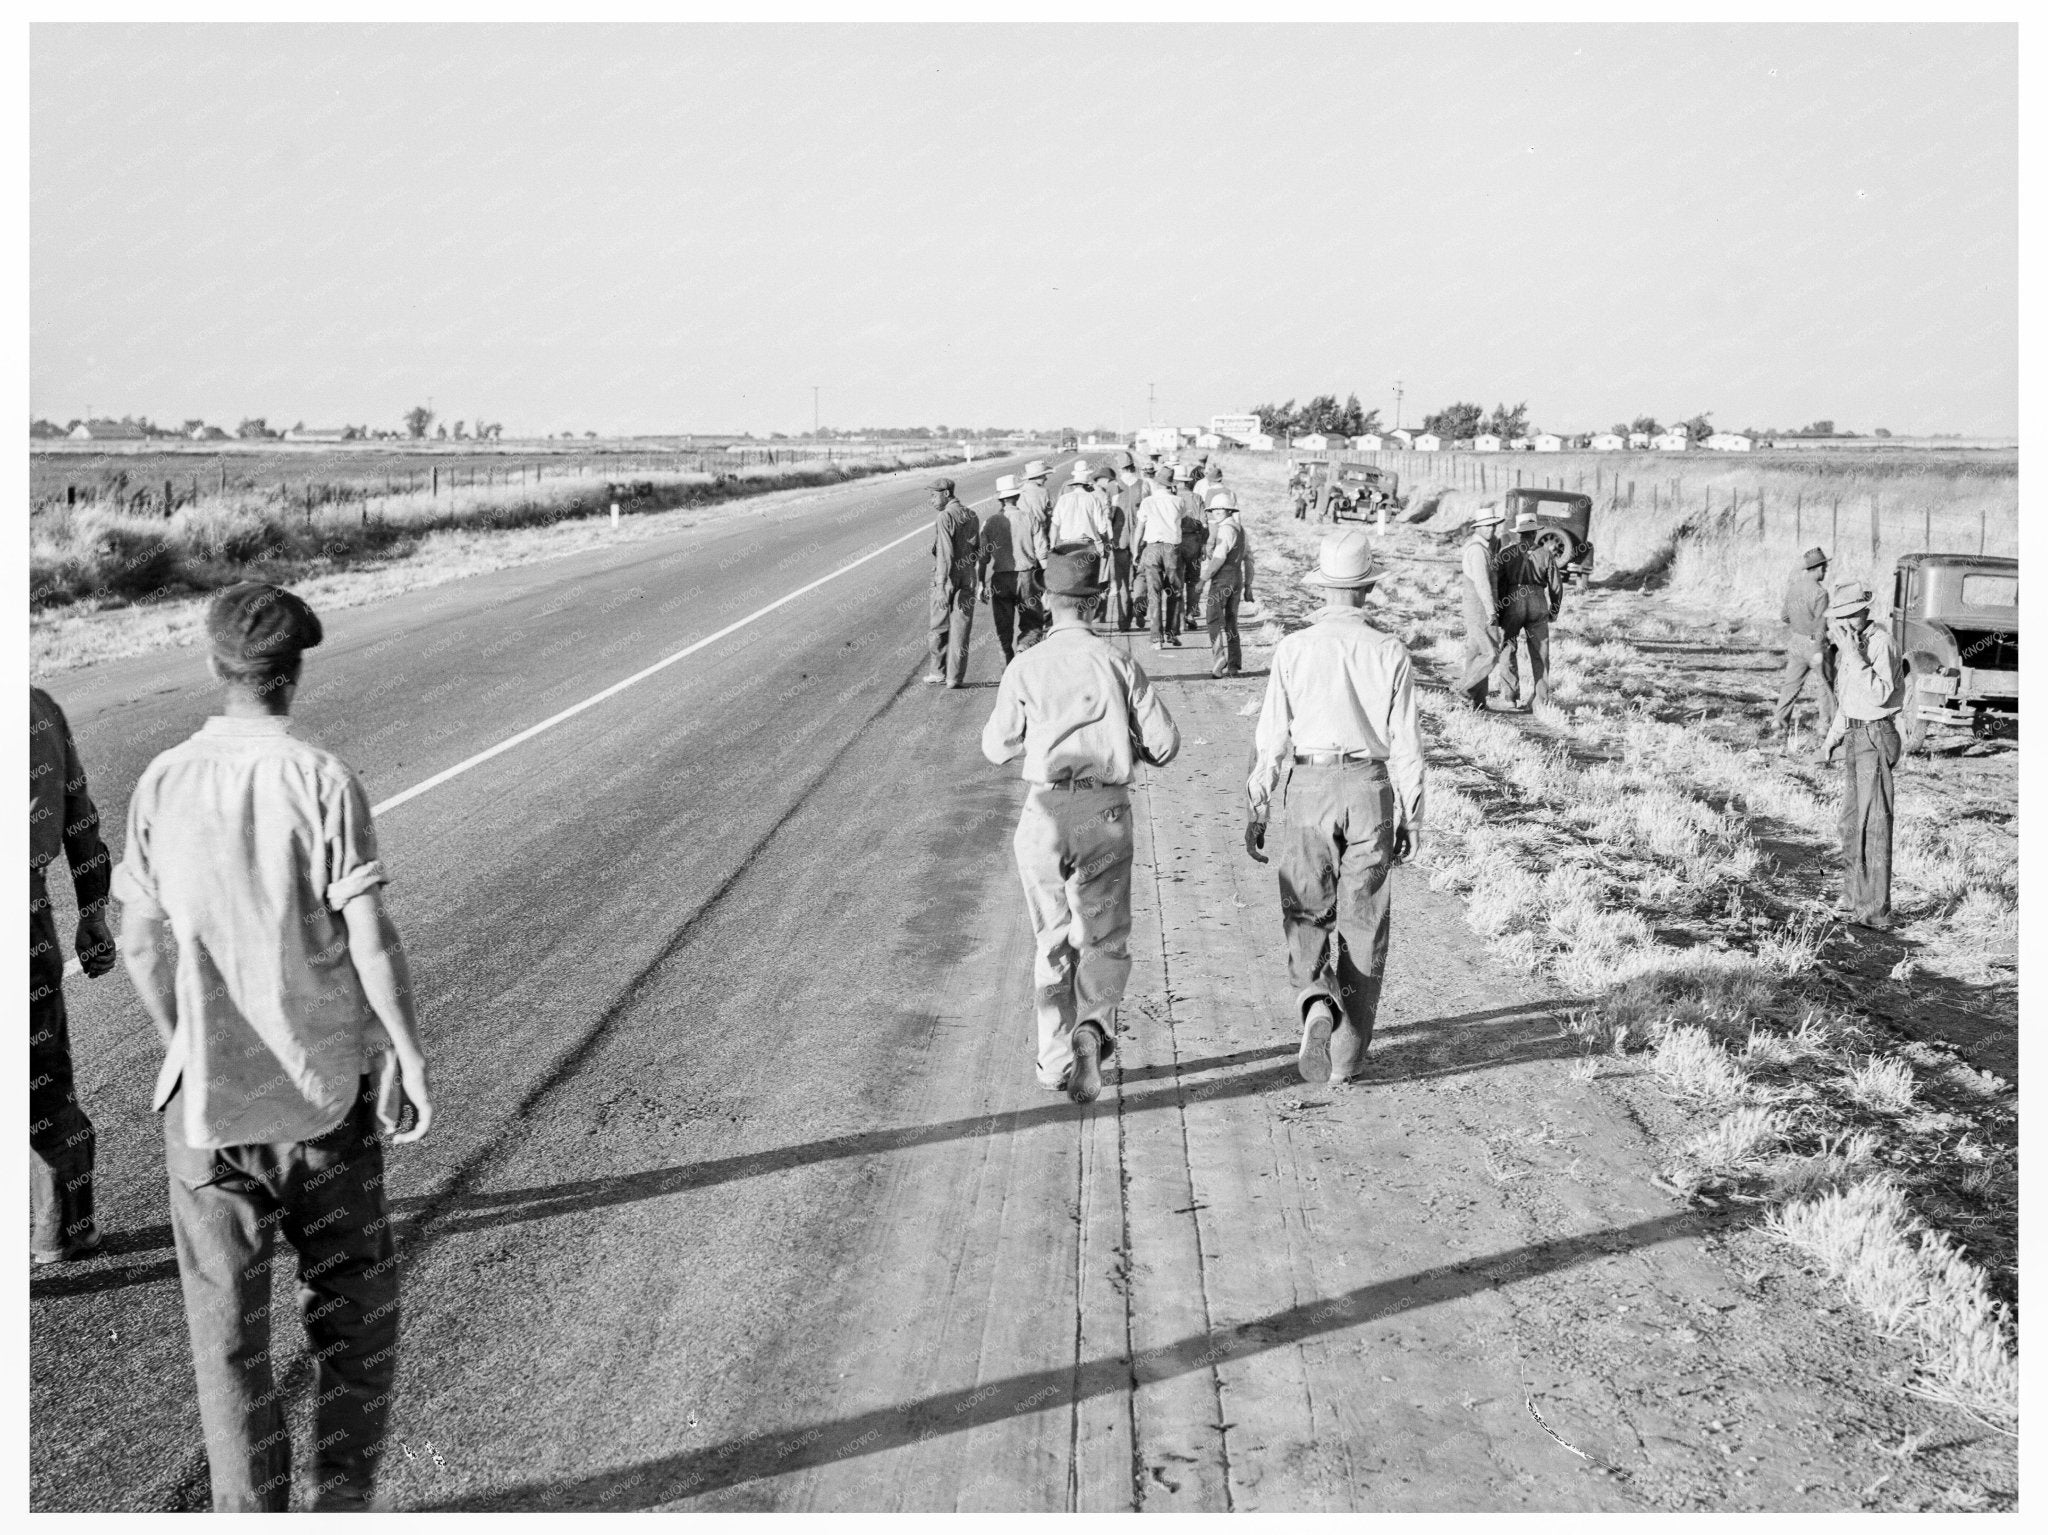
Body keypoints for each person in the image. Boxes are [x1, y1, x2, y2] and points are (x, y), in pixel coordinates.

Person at [113, 582, 435, 1511]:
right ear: (294, 674)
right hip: (323, 1100)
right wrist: (405, 1055)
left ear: (216, 670)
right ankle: (340, 1506)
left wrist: (186, 1043)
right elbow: (369, 935)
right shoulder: (322, 777)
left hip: (207, 1120)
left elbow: (139, 941)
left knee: (228, 1349)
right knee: (354, 1323)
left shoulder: (163, 778)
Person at [981, 548, 1180, 1103]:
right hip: (1105, 813)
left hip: (1045, 813)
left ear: (1046, 600)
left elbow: (996, 746)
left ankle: (1053, 1061)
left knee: (1050, 941)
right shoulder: (1117, 661)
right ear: (1094, 602)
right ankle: (1095, 1024)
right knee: (1104, 936)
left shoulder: (1026, 665)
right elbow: (1165, 743)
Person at [1243, 530, 1425, 1086]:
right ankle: (1346, 1057)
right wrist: (1413, 814)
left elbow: (1272, 736)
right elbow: (1407, 743)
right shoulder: (1390, 650)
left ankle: (1316, 1001)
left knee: (1306, 906)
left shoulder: (1294, 648)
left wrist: (1258, 803)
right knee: (1364, 921)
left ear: (1323, 588)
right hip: (1370, 787)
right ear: (1367, 588)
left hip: (1309, 784)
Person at [29, 686, 116, 1264]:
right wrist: (93, 915)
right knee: (41, 1079)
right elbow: (80, 819)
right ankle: (65, 1225)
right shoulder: (37, 708)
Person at [1820, 581, 1903, 931]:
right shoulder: (1852, 644)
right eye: (1836, 617)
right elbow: (1848, 698)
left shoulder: (1879, 643)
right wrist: (1831, 740)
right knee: (1851, 822)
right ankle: (1853, 899)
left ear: (1862, 612)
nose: (1838, 624)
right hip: (1855, 734)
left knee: (1875, 824)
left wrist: (1854, 656)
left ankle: (1876, 912)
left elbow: (1880, 695)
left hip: (1874, 734)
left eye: (1845, 617)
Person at [1491, 509, 1564, 708]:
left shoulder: (1507, 553)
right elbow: (1556, 586)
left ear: (1518, 533)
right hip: (1538, 601)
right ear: (1535, 533)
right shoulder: (1546, 554)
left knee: (1508, 648)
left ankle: (1510, 697)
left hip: (1513, 601)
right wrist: (1554, 610)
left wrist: (1499, 609)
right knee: (1541, 652)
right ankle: (1541, 699)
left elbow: (1498, 582)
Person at [1772, 546, 1836, 743]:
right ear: (1817, 568)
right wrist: (1822, 646)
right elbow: (1820, 625)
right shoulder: (1820, 593)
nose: (1825, 572)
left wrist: (1800, 625)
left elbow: (1784, 616)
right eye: (1824, 568)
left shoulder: (1794, 588)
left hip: (1797, 642)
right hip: (1815, 645)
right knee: (1826, 686)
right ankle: (1825, 728)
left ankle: (1779, 724)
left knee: (1790, 685)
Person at [978, 475, 1040, 664]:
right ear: (1018, 496)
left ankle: (1007, 668)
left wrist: (980, 583)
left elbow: (982, 558)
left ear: (1000, 499)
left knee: (1003, 629)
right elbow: (1043, 552)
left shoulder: (990, 522)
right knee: (1033, 624)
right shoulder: (1029, 518)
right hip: (1027, 576)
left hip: (1000, 579)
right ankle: (1024, 649)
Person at [926, 477, 981, 688]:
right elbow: (977, 548)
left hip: (948, 578)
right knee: (961, 627)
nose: (931, 500)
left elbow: (945, 554)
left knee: (938, 626)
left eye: (933, 495)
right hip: (967, 575)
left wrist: (940, 586)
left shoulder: (944, 516)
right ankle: (954, 677)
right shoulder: (971, 514)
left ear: (946, 494)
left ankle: (937, 672)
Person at [1199, 488, 1254, 678]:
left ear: (1230, 510)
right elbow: (1249, 559)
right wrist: (1248, 585)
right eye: (1215, 510)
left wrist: (1203, 579)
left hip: (1222, 578)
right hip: (1237, 578)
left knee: (1213, 620)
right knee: (1231, 622)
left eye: (1221, 509)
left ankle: (1219, 657)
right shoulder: (1241, 530)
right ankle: (1234, 664)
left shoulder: (1225, 529)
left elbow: (1218, 559)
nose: (1216, 512)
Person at [1457, 505, 1506, 709]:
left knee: (1476, 653)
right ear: (1477, 527)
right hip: (1480, 608)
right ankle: (1463, 689)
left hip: (1478, 606)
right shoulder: (1478, 551)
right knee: (1490, 653)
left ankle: (1477, 701)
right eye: (1486, 526)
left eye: (1493, 525)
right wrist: (1491, 610)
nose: (1490, 529)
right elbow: (1482, 584)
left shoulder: (1483, 548)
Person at [1135, 463, 1186, 649]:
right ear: (1171, 484)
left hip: (1152, 548)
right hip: (1171, 548)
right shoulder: (1179, 501)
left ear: (1157, 483)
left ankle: (1156, 638)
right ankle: (1172, 633)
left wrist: (1136, 550)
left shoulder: (1147, 502)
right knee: (1174, 592)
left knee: (1153, 593)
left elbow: (1139, 528)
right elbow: (1181, 519)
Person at [1014, 459, 1055, 645]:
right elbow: (1049, 516)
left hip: (1021, 541)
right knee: (1042, 581)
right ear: (1038, 477)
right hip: (1039, 537)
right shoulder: (1042, 492)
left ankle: (1031, 629)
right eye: (1044, 475)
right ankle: (1042, 624)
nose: (1046, 478)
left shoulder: (1020, 492)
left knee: (1028, 585)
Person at [1049, 458, 1116, 553]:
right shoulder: (1093, 498)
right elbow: (1102, 527)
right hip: (1087, 543)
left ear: (1074, 484)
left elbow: (1054, 524)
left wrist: (1052, 546)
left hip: (1066, 543)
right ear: (1087, 483)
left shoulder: (1063, 499)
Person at [1174, 465, 1209, 630]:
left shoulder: (1173, 498)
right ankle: (1190, 614)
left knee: (1177, 580)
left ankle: (1179, 617)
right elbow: (1205, 524)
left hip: (1176, 541)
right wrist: (1203, 544)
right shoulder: (1197, 498)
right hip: (1194, 541)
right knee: (1193, 580)